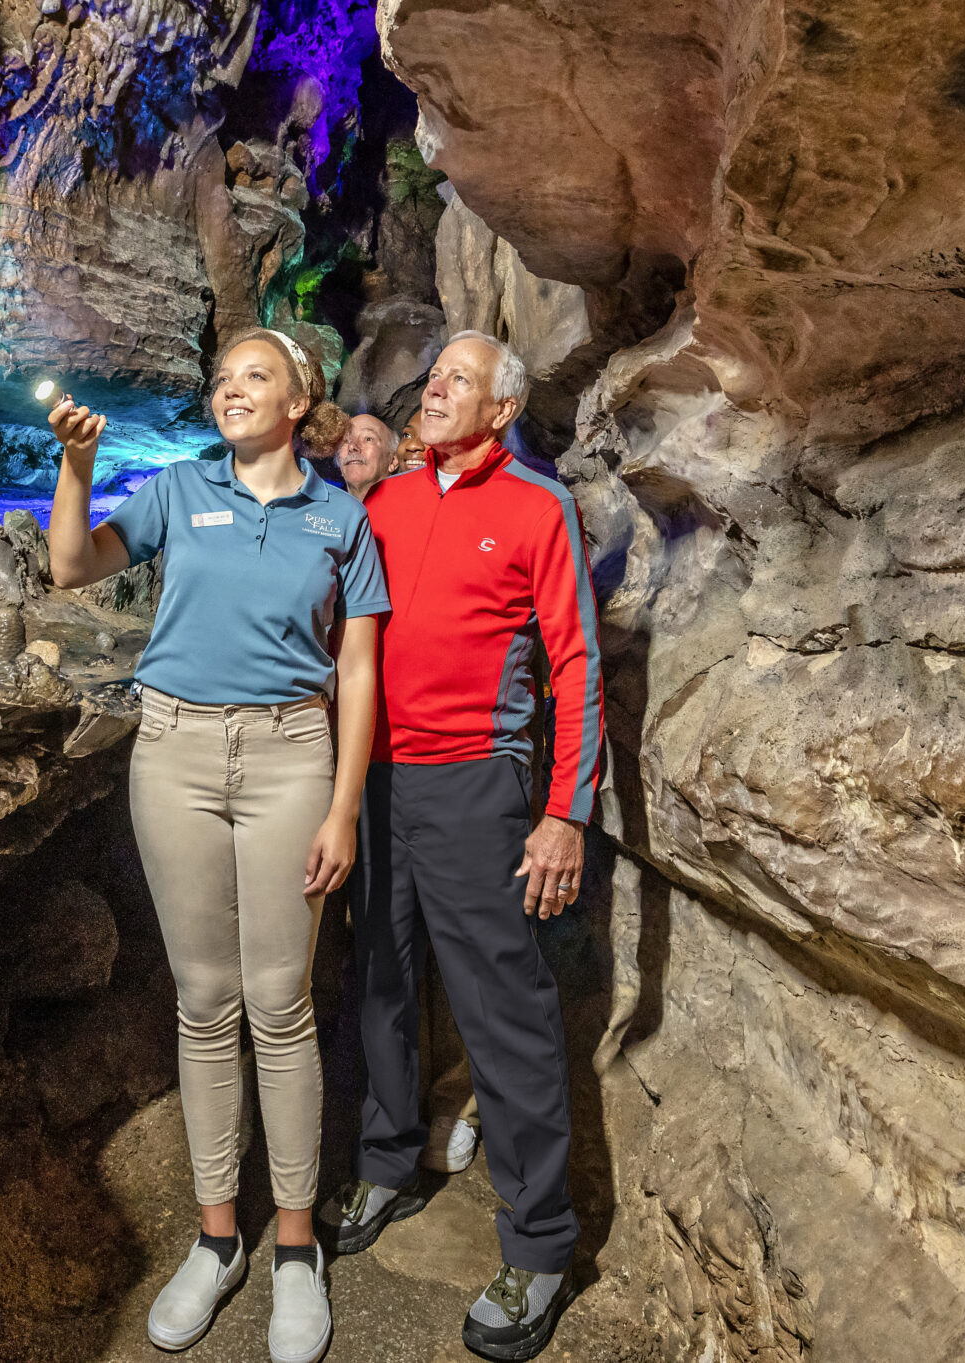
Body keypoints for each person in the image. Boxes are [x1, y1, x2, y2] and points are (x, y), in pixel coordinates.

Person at [46, 330, 387, 1363]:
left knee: (279, 1005)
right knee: (204, 1003)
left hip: (290, 758)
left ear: (298, 402)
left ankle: (294, 1249)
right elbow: (70, 568)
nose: (230, 389)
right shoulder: (175, 489)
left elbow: (360, 674)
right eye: (223, 378)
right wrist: (75, 463)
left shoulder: (341, 518)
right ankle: (216, 1235)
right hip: (175, 753)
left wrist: (341, 807)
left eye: (255, 377)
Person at [323, 330, 602, 1362]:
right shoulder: (384, 504)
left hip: (478, 788)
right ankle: (389, 1164)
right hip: (376, 778)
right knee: (383, 981)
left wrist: (564, 811)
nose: (432, 391)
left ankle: (538, 1246)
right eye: (432, 377)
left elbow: (574, 664)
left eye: (457, 383)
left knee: (504, 1008)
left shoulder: (538, 507)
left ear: (499, 408)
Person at [333, 406, 483, 1173]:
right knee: (381, 952)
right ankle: (385, 1119)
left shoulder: (418, 515)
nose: (353, 447)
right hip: (364, 769)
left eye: (371, 438)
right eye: (345, 440)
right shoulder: (330, 523)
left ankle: (457, 1094)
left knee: (452, 952)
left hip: (448, 765)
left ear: (402, 455)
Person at [335, 412, 396, 501]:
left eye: (368, 439)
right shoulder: (322, 512)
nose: (352, 447)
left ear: (393, 460)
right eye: (346, 440)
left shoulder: (410, 510)